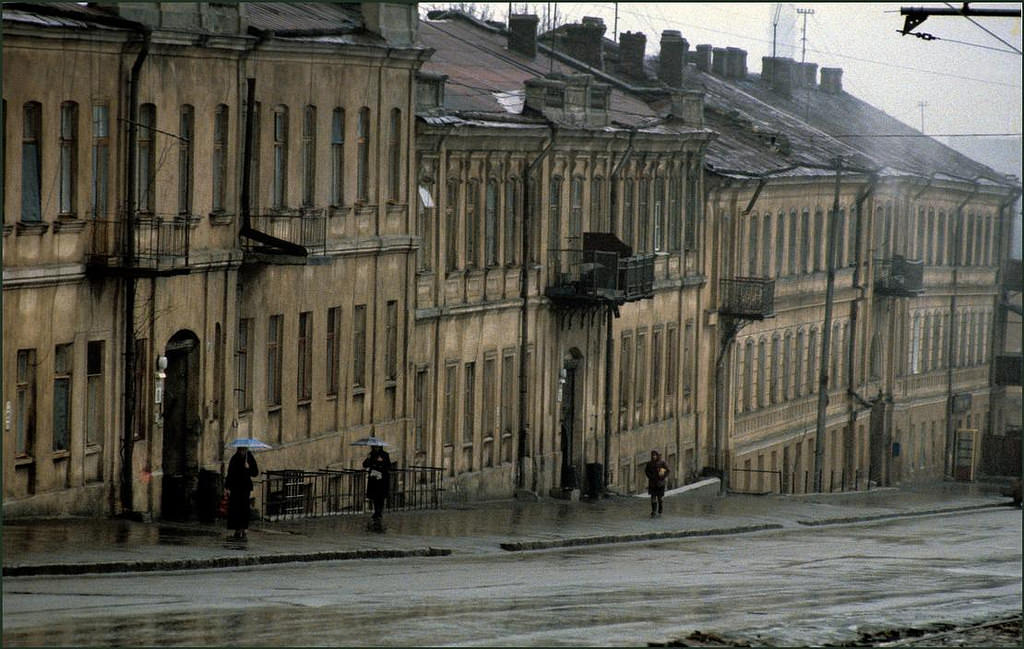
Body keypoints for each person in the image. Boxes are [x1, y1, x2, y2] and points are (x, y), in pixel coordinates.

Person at [225, 446, 259, 539]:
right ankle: (237, 528)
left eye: (244, 450)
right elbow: (230, 473)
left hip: (245, 487)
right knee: (236, 508)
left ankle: (244, 528)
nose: (242, 452)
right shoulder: (234, 458)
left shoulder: (250, 458)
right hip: (235, 487)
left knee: (244, 508)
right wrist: (227, 487)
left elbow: (255, 472)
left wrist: (248, 468)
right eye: (241, 450)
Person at [363, 445, 392, 530]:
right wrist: (368, 458)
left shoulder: (385, 455)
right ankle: (376, 511)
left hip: (382, 479)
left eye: (377, 447)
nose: (376, 448)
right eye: (375, 447)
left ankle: (379, 512)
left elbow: (388, 466)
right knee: (374, 497)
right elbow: (365, 465)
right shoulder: (371, 455)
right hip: (374, 479)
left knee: (381, 497)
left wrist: (381, 464)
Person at [645, 449, 670, 517]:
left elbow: (667, 470)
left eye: (655, 455)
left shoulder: (662, 463)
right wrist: (650, 476)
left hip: (660, 483)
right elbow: (646, 471)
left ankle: (660, 509)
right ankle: (653, 511)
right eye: (653, 455)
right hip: (652, 483)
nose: (654, 457)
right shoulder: (649, 463)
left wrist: (663, 476)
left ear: (657, 456)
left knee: (660, 498)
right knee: (653, 497)